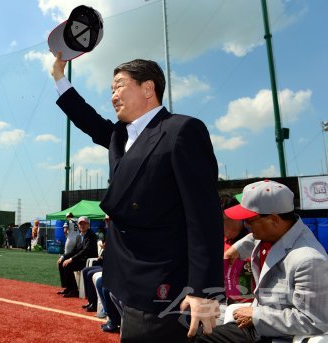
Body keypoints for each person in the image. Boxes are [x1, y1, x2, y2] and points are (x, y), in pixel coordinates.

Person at [52, 53, 223, 340]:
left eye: (119, 86)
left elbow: (204, 215)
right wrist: (59, 76)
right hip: (124, 281)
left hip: (163, 283)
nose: (113, 96)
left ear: (148, 88)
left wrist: (203, 291)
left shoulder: (181, 130)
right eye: (111, 90)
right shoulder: (120, 136)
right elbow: (85, 117)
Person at [196, 180, 328, 343]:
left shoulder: (308, 260)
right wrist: (236, 249)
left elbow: (315, 321)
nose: (246, 226)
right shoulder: (279, 230)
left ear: (273, 220)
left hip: (277, 334)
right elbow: (253, 237)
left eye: (249, 221)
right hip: (258, 326)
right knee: (194, 331)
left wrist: (256, 315)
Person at [57, 216, 98, 298]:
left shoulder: (91, 236)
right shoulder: (79, 236)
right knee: (62, 262)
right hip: (80, 259)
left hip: (88, 260)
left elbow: (85, 251)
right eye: (80, 224)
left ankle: (74, 290)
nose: (82, 226)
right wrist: (63, 256)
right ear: (78, 225)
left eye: (84, 224)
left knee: (68, 265)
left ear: (88, 225)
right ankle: (68, 287)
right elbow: (74, 250)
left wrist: (71, 259)